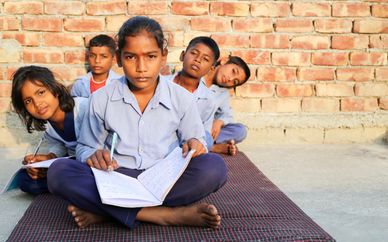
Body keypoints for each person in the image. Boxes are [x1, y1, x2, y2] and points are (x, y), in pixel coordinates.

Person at [47, 16, 227, 229]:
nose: (141, 67)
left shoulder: (182, 98)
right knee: (59, 172)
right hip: (116, 177)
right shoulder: (101, 98)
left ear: (163, 57)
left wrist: (195, 145)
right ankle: (165, 215)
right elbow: (85, 148)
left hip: (164, 179)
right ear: (119, 59)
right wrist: (93, 156)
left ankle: (108, 213)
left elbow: (196, 141)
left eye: (151, 56)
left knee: (215, 168)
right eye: (131, 57)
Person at [11, 65, 88, 195]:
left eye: (41, 93)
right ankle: (71, 185)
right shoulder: (48, 125)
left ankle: (69, 184)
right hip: (74, 166)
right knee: (24, 179)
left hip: (96, 162)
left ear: (55, 89)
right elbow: (58, 144)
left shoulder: (85, 109)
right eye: (28, 101)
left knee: (59, 170)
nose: (37, 104)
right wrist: (48, 158)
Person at [162, 36, 219, 150]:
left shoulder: (208, 99)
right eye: (194, 53)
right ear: (183, 55)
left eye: (205, 59)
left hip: (188, 143)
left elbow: (204, 132)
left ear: (211, 69)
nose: (197, 60)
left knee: (207, 140)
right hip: (160, 137)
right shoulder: (161, 84)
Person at [203, 56, 251, 156]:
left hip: (205, 131)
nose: (230, 79)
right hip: (188, 128)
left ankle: (205, 144)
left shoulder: (222, 93)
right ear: (224, 61)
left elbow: (227, 115)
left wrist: (220, 122)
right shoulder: (200, 73)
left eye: (235, 82)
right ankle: (211, 147)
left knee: (240, 131)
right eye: (233, 71)